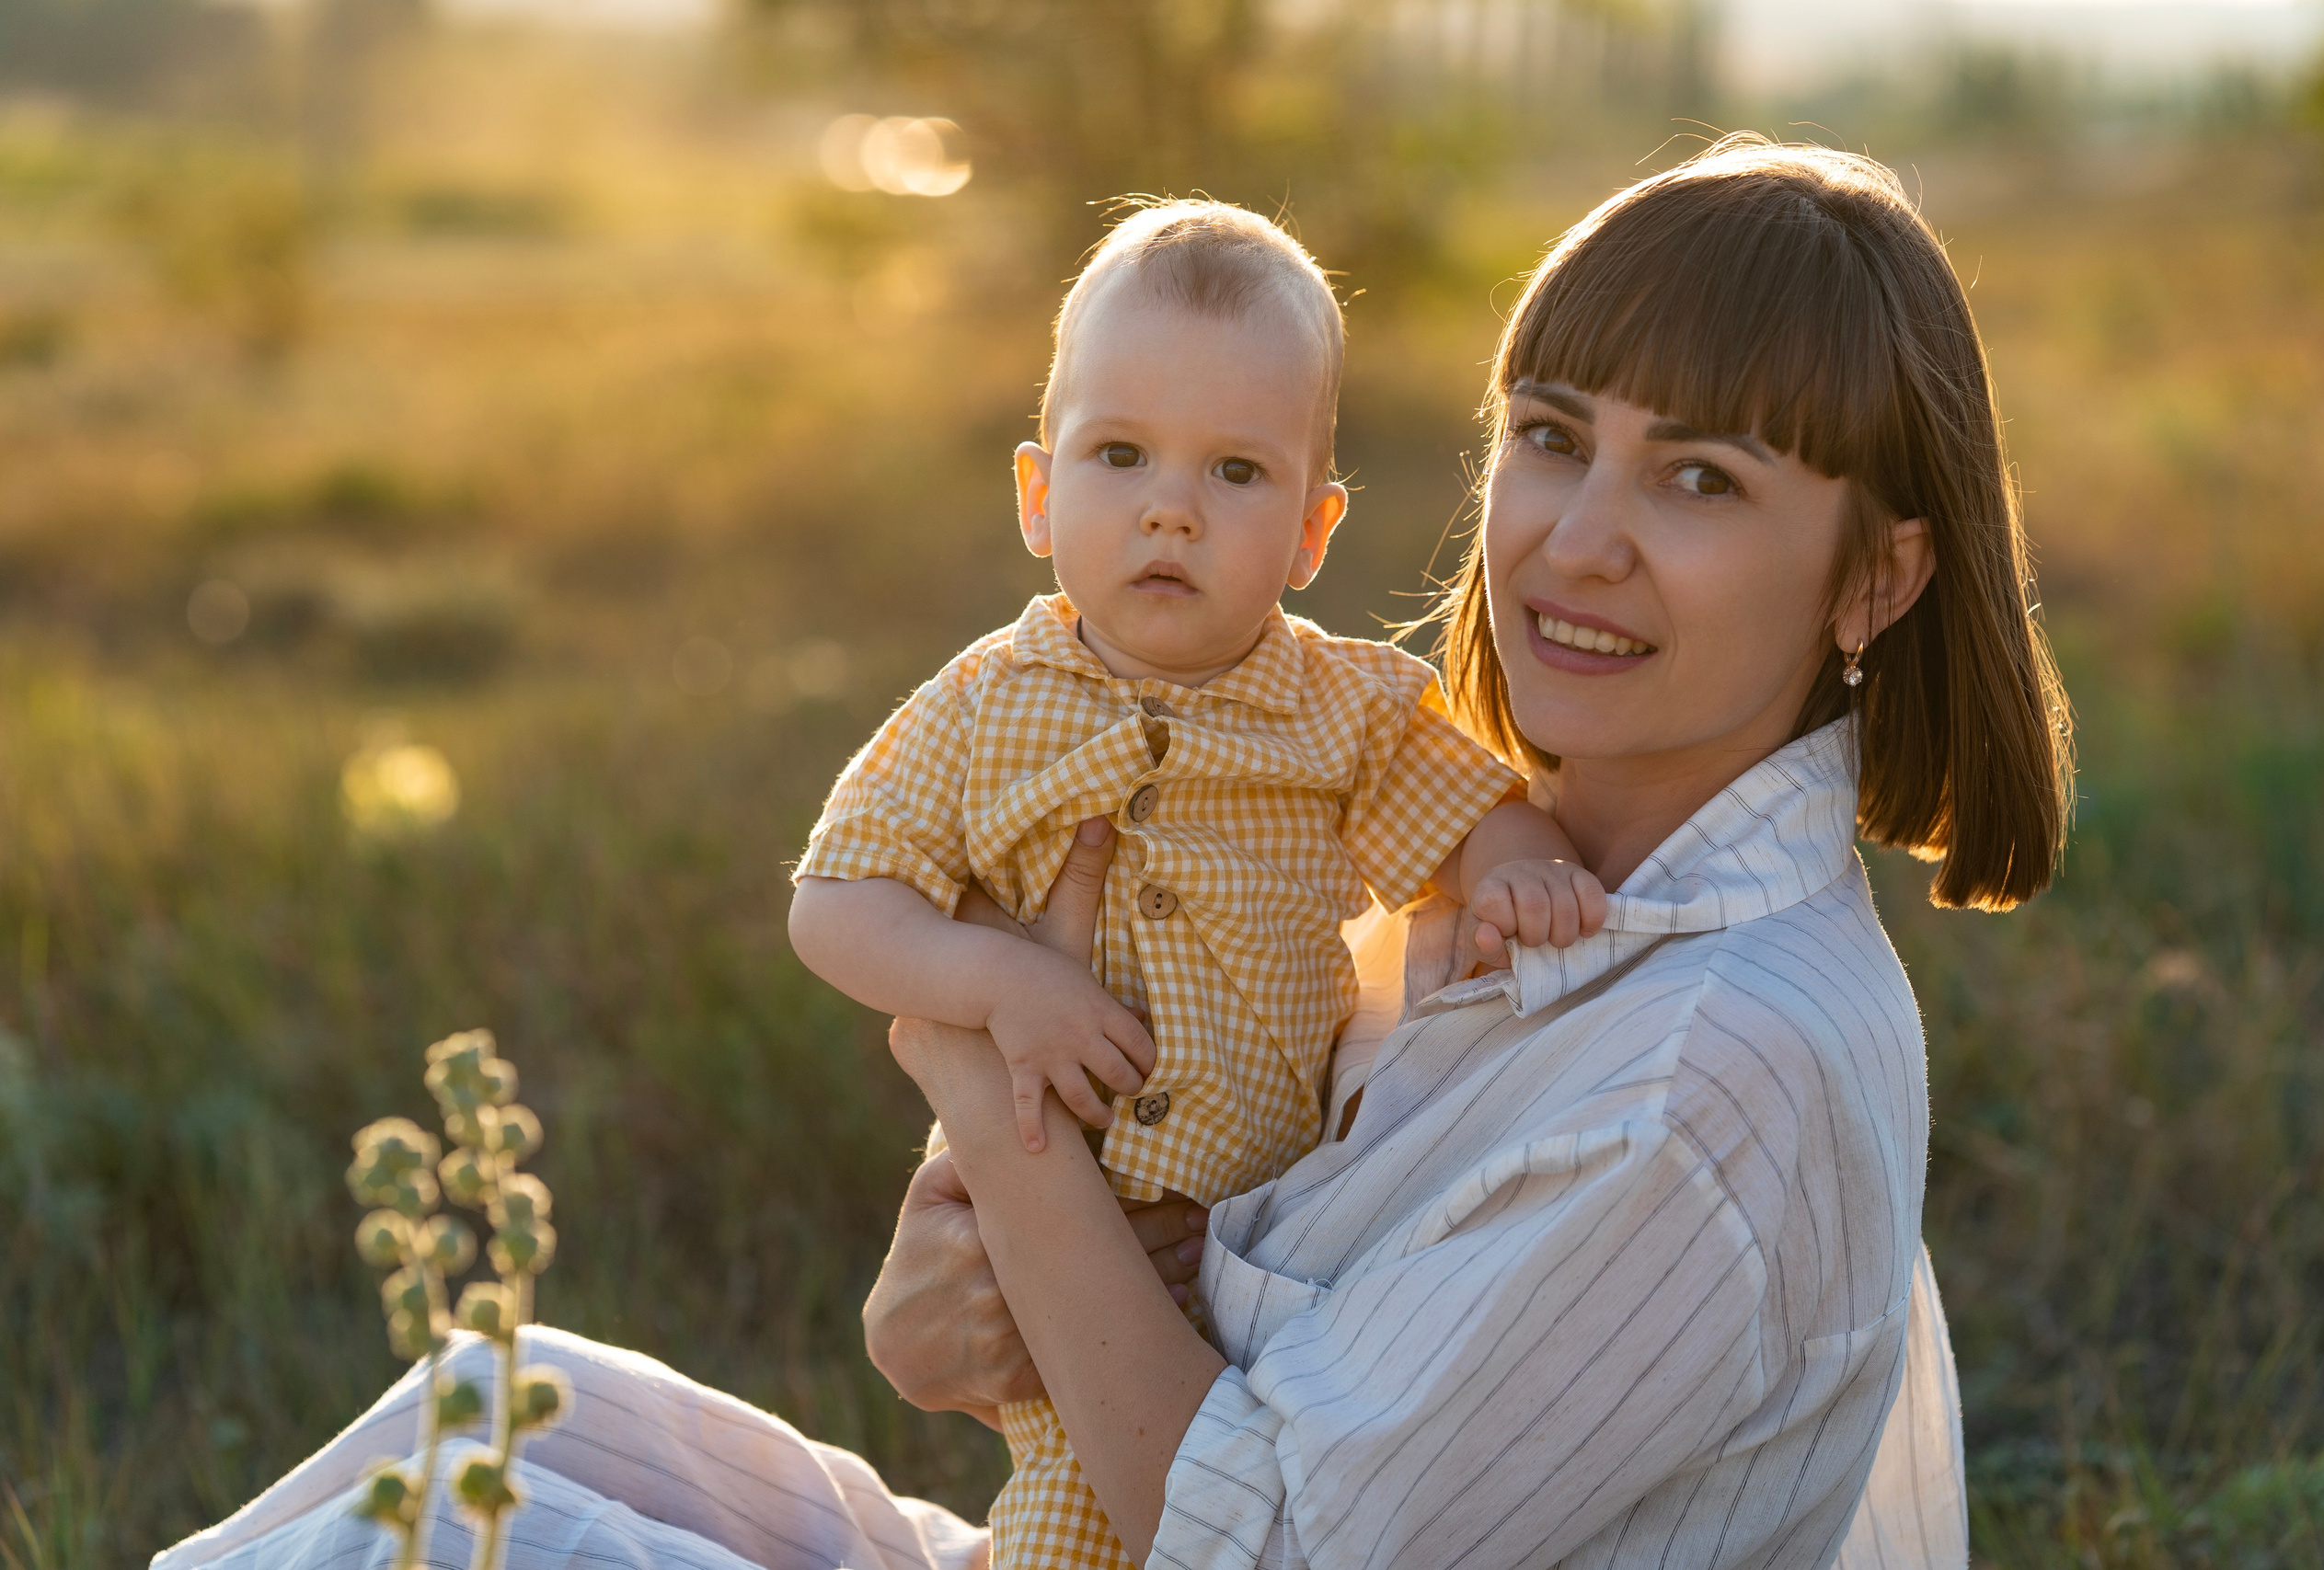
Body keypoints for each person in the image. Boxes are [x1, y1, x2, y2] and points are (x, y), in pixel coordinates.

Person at [155, 134, 2071, 1570]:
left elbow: (1260, 1545)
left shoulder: (1705, 1069)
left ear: (1875, 577)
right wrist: (972, 1302)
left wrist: (996, 1104)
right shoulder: (1505, 888)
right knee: (496, 1410)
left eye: (1702, 479)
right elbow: (1159, 1281)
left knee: (440, 1541)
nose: (1575, 536)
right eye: (1553, 436)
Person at [787, 198, 1602, 1570]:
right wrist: (998, 981)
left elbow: (1479, 818)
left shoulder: (1346, 709)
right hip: (1054, 1248)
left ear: (1312, 532)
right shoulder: (983, 704)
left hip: (1282, 1261)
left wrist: (1523, 875)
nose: (1172, 507)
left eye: (1236, 471)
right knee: (1071, 1532)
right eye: (1120, 456)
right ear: (1038, 496)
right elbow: (837, 904)